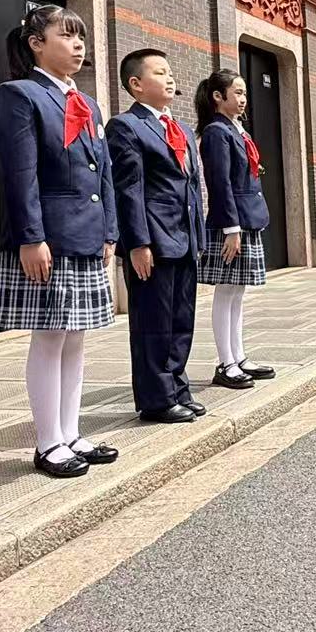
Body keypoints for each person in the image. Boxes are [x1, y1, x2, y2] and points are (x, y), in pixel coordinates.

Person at [0, 5, 121, 479]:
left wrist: (109, 230)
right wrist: (31, 237)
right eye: (66, 35)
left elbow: (104, 173)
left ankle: (71, 432)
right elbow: (19, 174)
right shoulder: (20, 95)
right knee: (49, 337)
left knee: (76, 338)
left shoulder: (87, 104)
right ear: (36, 44)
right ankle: (48, 442)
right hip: (49, 237)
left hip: (86, 234)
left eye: (80, 36)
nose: (78, 44)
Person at [106, 49, 207, 424]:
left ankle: (178, 388)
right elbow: (128, 189)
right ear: (136, 84)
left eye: (170, 72)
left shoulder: (179, 128)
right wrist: (137, 243)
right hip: (153, 240)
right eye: (160, 72)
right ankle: (156, 399)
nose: (170, 78)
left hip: (185, 238)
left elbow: (192, 187)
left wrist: (199, 235)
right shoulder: (126, 127)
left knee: (181, 320)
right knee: (153, 324)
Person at [195, 69, 277, 390]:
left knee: (237, 292)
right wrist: (231, 228)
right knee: (226, 291)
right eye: (237, 93)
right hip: (232, 223)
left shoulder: (236, 130)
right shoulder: (217, 132)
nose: (243, 99)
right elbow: (219, 183)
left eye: (244, 93)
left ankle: (239, 357)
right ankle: (225, 362)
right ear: (218, 96)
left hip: (245, 219)